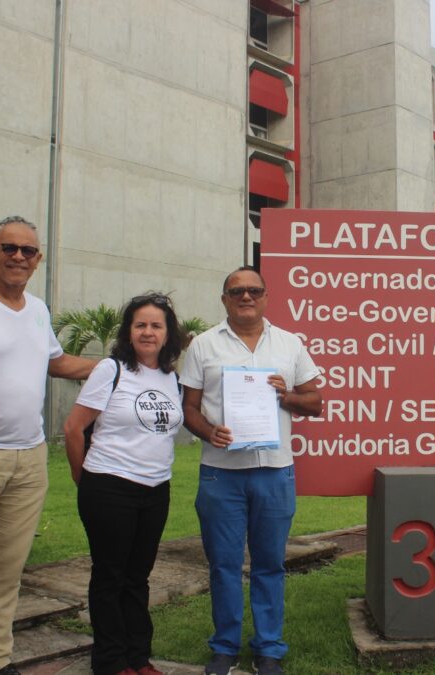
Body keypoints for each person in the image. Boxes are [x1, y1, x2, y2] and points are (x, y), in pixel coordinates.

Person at [0, 216, 96, 675]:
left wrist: (123, 365)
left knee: (7, 572)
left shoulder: (36, 309)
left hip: (30, 457)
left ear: (38, 259)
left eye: (27, 251)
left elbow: (57, 363)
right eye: (8, 248)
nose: (18, 257)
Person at [182, 267, 322, 675]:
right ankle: (224, 646)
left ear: (265, 297)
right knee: (223, 564)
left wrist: (287, 394)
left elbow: (315, 401)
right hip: (220, 473)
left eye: (254, 291)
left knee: (270, 564)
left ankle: (269, 648)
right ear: (224, 298)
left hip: (274, 472)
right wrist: (209, 431)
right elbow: (189, 408)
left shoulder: (289, 344)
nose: (246, 297)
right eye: (237, 291)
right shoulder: (204, 345)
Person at [62, 293, 185, 675]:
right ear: (129, 332)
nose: (148, 332)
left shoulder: (171, 379)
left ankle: (138, 656)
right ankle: (111, 661)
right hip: (109, 486)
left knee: (138, 578)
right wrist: (87, 481)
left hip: (156, 490)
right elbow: (73, 428)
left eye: (156, 325)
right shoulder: (111, 370)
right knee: (110, 576)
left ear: (168, 334)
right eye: (140, 325)